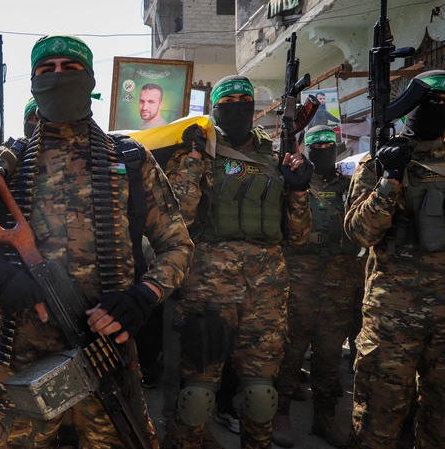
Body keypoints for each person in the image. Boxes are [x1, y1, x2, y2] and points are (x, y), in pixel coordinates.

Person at [0, 34, 194, 449]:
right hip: (18, 361)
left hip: (105, 354)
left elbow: (178, 245)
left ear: (90, 79)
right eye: (46, 70)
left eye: (70, 68)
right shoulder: (6, 165)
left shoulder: (129, 158)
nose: (57, 76)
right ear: (33, 82)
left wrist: (143, 295)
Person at [162, 75, 313, 449]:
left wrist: (297, 189)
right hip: (208, 289)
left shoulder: (275, 156)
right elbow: (177, 216)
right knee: (197, 395)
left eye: (244, 99)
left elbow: (297, 236)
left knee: (262, 395)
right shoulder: (199, 152)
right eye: (227, 102)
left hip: (267, 291)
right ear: (214, 110)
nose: (237, 106)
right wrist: (194, 158)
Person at [344, 70, 445, 449]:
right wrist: (390, 179)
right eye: (431, 101)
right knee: (377, 422)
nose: (438, 109)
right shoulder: (380, 161)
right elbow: (359, 233)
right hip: (392, 319)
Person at [272, 126, 362, 449]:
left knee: (328, 354)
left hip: (340, 280)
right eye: (316, 145)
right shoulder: (296, 183)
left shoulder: (350, 186)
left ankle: (324, 417)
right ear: (306, 149)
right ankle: (280, 411)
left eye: (328, 145)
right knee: (292, 348)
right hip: (301, 277)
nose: (323, 149)